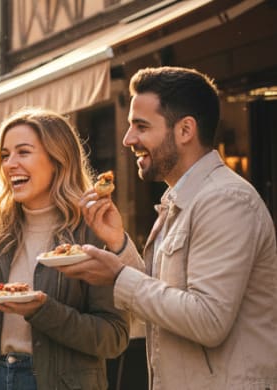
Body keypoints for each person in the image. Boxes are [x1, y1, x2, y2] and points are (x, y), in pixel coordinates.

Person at [56, 66, 277, 389]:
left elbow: (208, 321)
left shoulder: (225, 200)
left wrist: (117, 276)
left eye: (141, 126)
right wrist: (118, 244)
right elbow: (162, 306)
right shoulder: (182, 198)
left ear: (185, 130)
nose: (128, 139)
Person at [0, 108, 129, 389]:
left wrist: (42, 310)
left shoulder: (93, 230)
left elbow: (113, 338)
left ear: (57, 160)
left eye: (23, 152)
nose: (10, 164)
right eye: (5, 155)